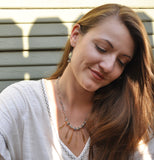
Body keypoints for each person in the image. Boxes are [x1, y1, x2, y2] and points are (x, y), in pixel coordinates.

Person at [0, 3, 154, 160]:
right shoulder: (21, 102)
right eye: (102, 48)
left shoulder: (127, 121)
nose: (108, 66)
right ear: (75, 36)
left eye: (121, 62)